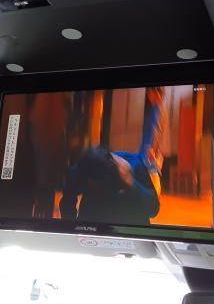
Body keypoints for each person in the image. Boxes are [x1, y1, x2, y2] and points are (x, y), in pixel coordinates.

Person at [59, 87, 165, 225]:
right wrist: (72, 227)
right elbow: (68, 194)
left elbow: (153, 208)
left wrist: (132, 183)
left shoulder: (136, 168)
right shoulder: (87, 166)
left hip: (129, 223)